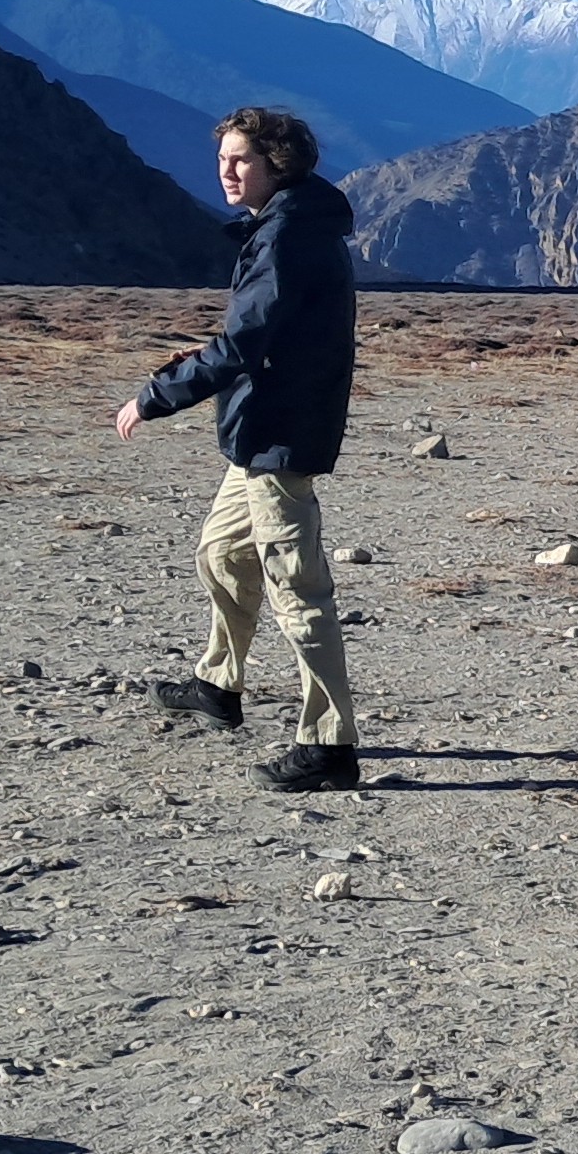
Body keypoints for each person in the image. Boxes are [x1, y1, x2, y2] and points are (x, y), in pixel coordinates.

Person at [120, 107, 365, 794]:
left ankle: (329, 745)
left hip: (280, 437)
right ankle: (218, 682)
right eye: (224, 158)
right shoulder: (291, 224)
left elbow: (243, 343)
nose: (226, 172)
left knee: (298, 591)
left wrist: (154, 395)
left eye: (241, 160)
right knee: (221, 552)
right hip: (261, 430)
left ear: (277, 164)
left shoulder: (287, 234)